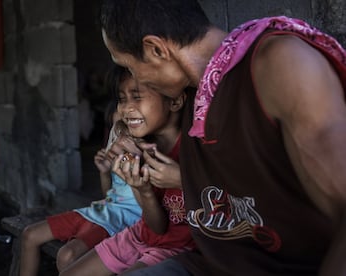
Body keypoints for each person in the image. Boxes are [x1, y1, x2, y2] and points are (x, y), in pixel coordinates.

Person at [99, 1, 346, 275]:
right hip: (213, 263)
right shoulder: (190, 90)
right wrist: (123, 136)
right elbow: (128, 119)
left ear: (156, 49)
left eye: (130, 68)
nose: (136, 78)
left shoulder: (280, 63)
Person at [58, 67, 195, 276]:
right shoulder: (139, 149)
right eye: (122, 99)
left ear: (175, 101)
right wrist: (143, 190)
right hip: (140, 236)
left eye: (137, 97)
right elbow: (156, 227)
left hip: (179, 248)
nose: (126, 108)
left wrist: (181, 180)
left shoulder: (196, 150)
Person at [19, 65, 142, 276]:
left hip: (124, 218)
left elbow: (147, 206)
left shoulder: (147, 152)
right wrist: (104, 171)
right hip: (103, 210)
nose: (118, 137)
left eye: (124, 130)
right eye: (116, 131)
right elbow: (110, 195)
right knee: (29, 234)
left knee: (67, 255)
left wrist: (135, 169)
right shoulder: (119, 145)